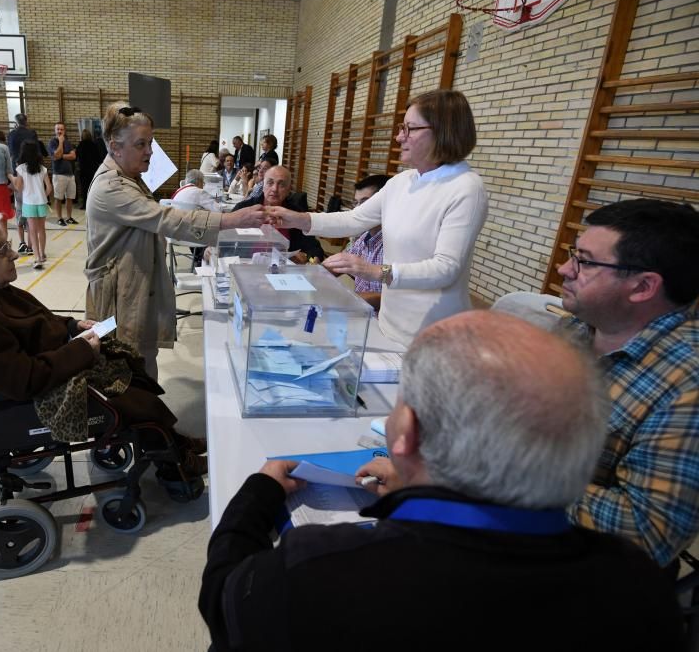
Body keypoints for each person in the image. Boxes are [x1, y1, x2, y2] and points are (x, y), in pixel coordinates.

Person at [199, 311, 684, 650]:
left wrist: (256, 494)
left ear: (405, 434)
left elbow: (222, 602)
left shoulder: (318, 569)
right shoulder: (640, 586)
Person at [0, 209, 208, 491]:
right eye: (1, 249)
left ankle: (175, 442)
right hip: (39, 396)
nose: (13, 254)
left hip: (52, 367)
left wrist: (72, 325)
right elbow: (24, 380)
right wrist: (82, 350)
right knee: (139, 402)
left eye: (8, 244)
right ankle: (175, 464)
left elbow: (35, 322)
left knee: (131, 367)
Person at [266, 89, 488, 347]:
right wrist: (299, 219)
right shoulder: (403, 181)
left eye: (409, 129)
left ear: (442, 132)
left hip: (431, 330)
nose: (399, 137)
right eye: (400, 128)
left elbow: (445, 268)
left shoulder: (465, 189)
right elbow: (354, 219)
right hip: (390, 320)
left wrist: (374, 271)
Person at [555, 198, 699, 572]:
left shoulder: (687, 385)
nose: (564, 268)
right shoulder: (576, 327)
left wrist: (497, 471)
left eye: (584, 261)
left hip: (592, 572)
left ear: (642, 287)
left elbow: (646, 532)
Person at [84, 103, 265, 379]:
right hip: (116, 296)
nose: (150, 152)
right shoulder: (112, 186)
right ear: (115, 147)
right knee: (123, 368)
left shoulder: (128, 176)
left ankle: (146, 418)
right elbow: (167, 219)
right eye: (141, 144)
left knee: (141, 359)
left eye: (150, 143)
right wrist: (232, 221)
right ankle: (136, 420)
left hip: (130, 287)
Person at [232, 165, 325, 263]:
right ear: (263, 186)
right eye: (270, 183)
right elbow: (224, 239)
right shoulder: (243, 208)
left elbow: (314, 248)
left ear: (289, 189)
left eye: (281, 184)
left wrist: (308, 256)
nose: (274, 189)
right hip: (246, 265)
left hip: (282, 269)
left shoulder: (295, 213)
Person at [343, 174, 390, 312]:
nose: (357, 210)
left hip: (381, 323)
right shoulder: (363, 237)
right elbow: (342, 263)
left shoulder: (393, 244)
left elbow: (394, 298)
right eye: (355, 203)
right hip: (360, 313)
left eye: (364, 203)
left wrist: (349, 299)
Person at [12, 140, 52, 269]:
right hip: (41, 203)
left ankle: (37, 257)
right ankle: (43, 253)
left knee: (32, 231)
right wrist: (43, 196)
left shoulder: (21, 168)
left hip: (29, 203)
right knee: (41, 230)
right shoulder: (42, 168)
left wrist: (11, 178)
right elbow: (49, 187)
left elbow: (18, 187)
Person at [7, 114, 39, 252]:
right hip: (32, 173)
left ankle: (22, 243)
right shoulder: (31, 133)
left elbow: (10, 152)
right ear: (27, 121)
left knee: (19, 208)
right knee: (31, 213)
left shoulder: (12, 134)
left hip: (17, 172)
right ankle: (31, 245)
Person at [49, 122, 77, 226]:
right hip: (59, 174)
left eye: (61, 129)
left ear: (64, 131)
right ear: (55, 130)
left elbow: (73, 156)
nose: (60, 131)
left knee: (70, 197)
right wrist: (60, 143)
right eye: (58, 129)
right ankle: (59, 218)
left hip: (70, 174)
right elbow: (56, 155)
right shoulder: (52, 142)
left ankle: (69, 217)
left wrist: (61, 155)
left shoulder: (68, 143)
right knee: (58, 198)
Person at [76, 127, 102, 208]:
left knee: (84, 188)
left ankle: (84, 204)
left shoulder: (80, 145)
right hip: (92, 170)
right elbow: (98, 158)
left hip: (83, 170)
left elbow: (77, 157)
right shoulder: (94, 145)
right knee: (92, 187)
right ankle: (93, 204)